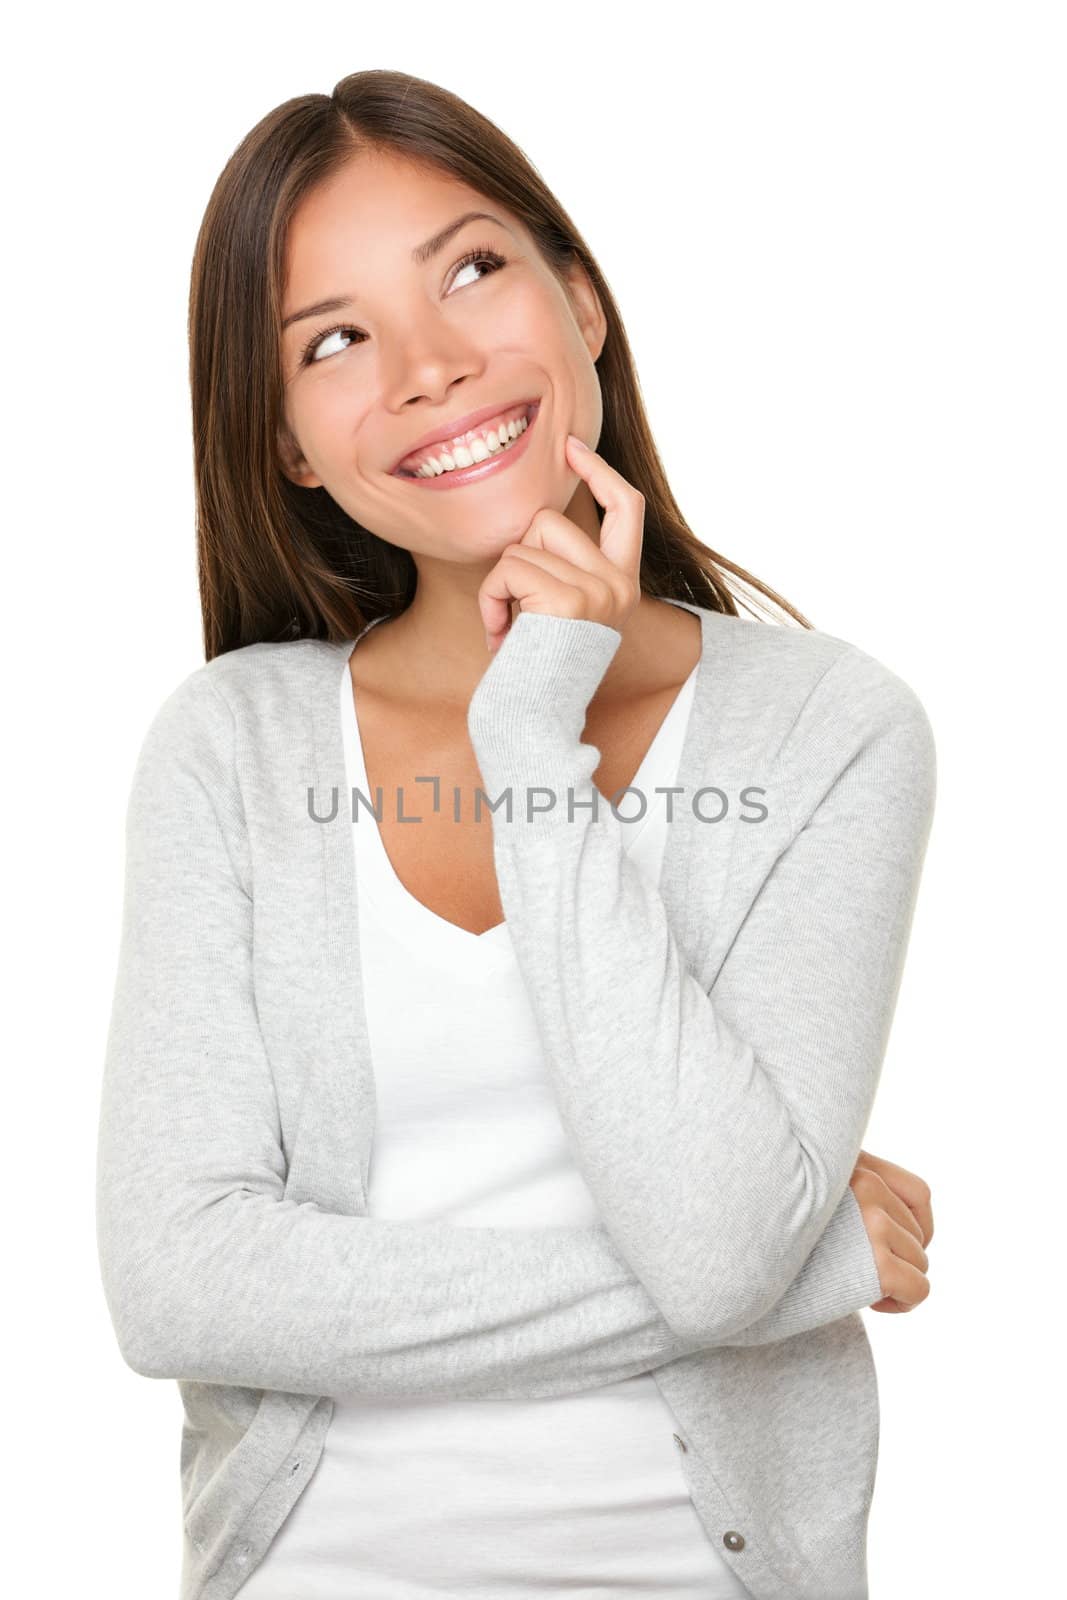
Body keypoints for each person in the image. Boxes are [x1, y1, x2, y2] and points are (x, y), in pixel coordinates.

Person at [95, 70, 937, 1600]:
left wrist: (530, 744)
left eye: (472, 268)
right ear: (287, 442)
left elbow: (717, 1242)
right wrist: (796, 1272)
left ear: (586, 305)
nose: (427, 366)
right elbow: (180, 1287)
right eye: (333, 341)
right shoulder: (232, 747)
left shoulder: (832, 732)